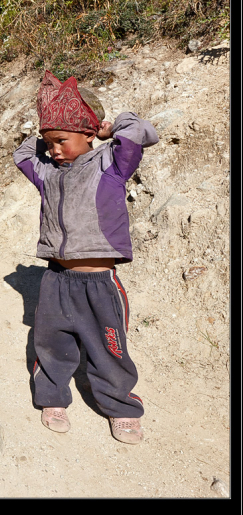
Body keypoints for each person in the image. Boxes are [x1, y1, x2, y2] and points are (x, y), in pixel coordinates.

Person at [13, 70, 158, 445]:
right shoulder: (46, 172)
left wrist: (110, 128)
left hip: (99, 283)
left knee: (109, 346)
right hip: (56, 279)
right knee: (50, 342)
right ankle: (52, 397)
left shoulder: (112, 164)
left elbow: (142, 131)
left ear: (89, 133)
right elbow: (22, 153)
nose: (54, 149)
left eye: (62, 140)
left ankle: (120, 407)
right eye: (50, 142)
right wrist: (45, 132)